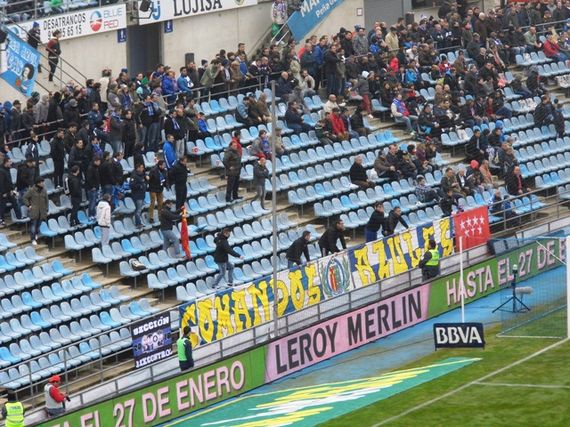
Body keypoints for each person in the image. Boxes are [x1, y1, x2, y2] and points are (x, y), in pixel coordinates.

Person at [23, 177, 48, 245]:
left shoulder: (44, 190)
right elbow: (24, 197)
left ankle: (36, 234)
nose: (43, 183)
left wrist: (46, 209)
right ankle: (33, 239)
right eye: (42, 182)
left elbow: (46, 200)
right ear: (38, 183)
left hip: (42, 212)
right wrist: (28, 205)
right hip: (34, 211)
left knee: (38, 225)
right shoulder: (31, 190)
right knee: (33, 225)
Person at [0, 157, 21, 227]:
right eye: (9, 162)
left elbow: (9, 181)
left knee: (15, 204)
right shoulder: (1, 171)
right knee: (2, 206)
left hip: (10, 191)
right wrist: (3, 193)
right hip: (4, 193)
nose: (11, 163)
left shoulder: (8, 169)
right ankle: (1, 221)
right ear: (6, 162)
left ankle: (19, 218)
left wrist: (12, 189)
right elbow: (1, 183)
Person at [130, 163, 147, 229]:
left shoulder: (142, 175)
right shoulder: (134, 176)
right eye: (141, 167)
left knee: (139, 210)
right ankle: (138, 224)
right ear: (138, 168)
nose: (143, 168)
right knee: (138, 210)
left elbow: (144, 182)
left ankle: (139, 222)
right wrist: (140, 186)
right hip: (137, 195)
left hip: (142, 195)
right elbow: (131, 185)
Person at [85, 156, 101, 221]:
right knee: (92, 202)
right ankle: (90, 215)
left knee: (94, 202)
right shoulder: (91, 168)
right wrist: (92, 186)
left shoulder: (95, 168)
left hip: (95, 187)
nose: (99, 162)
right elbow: (89, 179)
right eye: (99, 161)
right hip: (92, 189)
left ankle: (93, 214)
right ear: (95, 161)